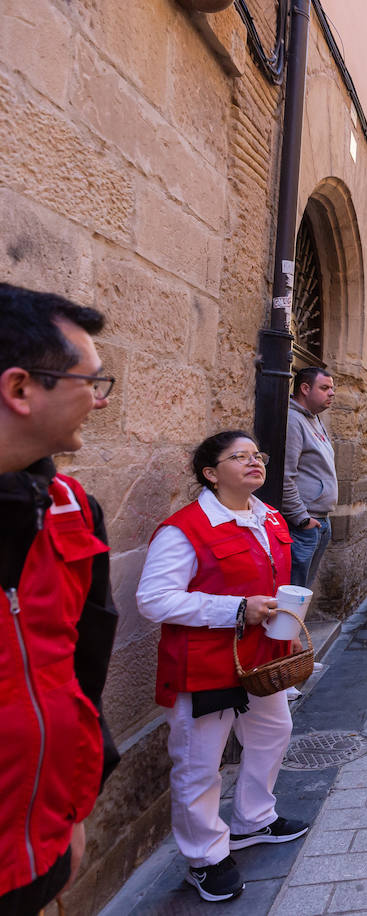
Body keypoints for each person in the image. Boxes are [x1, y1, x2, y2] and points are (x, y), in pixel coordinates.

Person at [136, 431, 310, 902]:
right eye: (240, 457)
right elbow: (154, 600)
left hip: (261, 662)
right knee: (199, 763)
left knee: (273, 733)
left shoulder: (270, 517)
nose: (254, 462)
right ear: (211, 474)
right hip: (204, 665)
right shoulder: (184, 529)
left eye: (258, 454)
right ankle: (205, 856)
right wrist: (235, 609)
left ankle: (255, 818)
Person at [0, 285, 120, 916]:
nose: (100, 401)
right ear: (21, 388)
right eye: (91, 383)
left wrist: (72, 811)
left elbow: (82, 670)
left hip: (43, 851)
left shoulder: (76, 512)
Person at [282, 367, 337, 589]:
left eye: (332, 388)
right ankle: (291, 625)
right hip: (304, 522)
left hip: (319, 519)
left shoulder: (314, 419)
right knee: (294, 592)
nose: (331, 393)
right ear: (305, 388)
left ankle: (297, 625)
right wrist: (301, 519)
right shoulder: (293, 420)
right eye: (324, 388)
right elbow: (286, 475)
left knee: (303, 591)